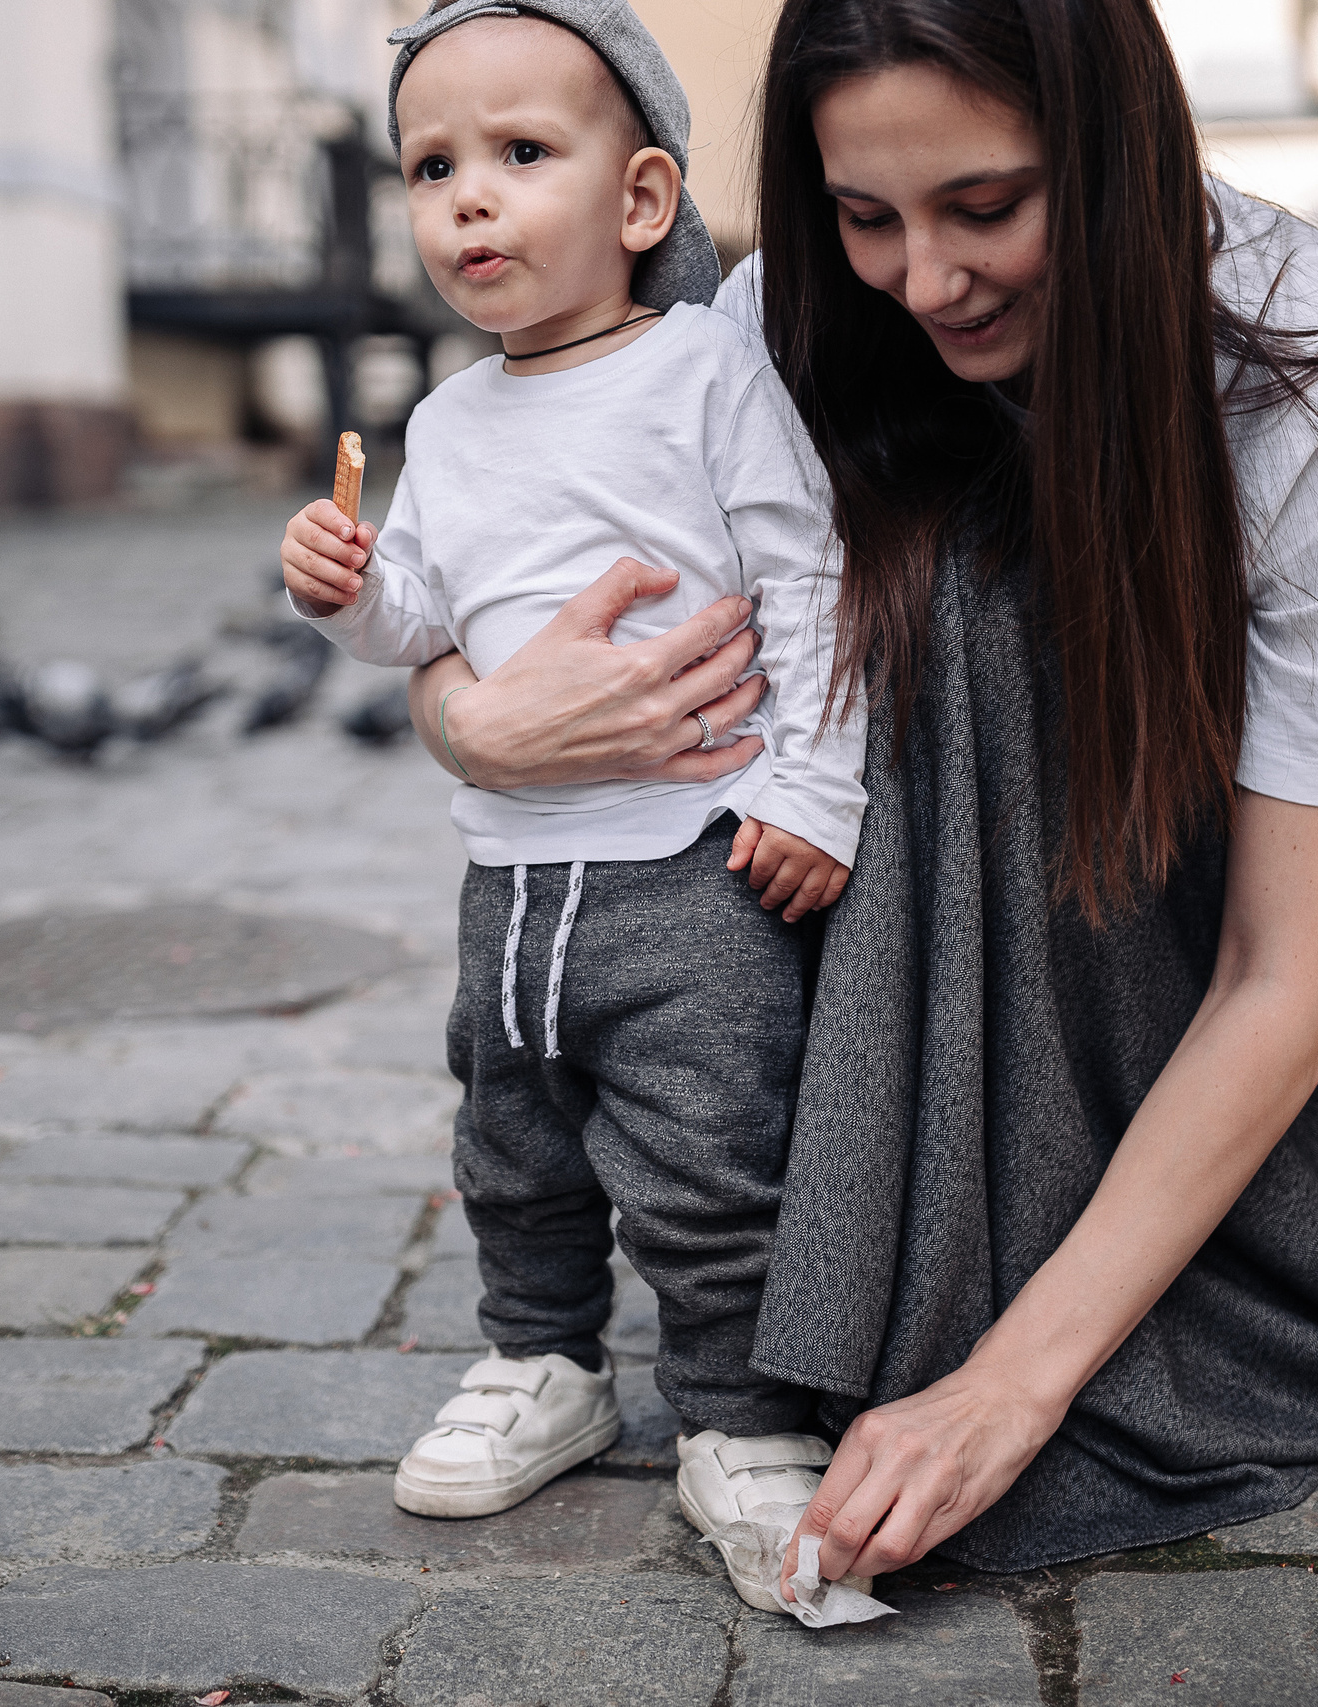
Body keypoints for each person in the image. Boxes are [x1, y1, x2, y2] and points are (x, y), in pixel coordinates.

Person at [399, 0, 1318, 1587]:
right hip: (1036, 908)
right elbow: (516, 568)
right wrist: (473, 728)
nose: (927, 280)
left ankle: (1018, 1252)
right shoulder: (778, 321)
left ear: (1114, 153)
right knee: (909, 593)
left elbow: (1284, 983)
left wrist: (1007, 1386)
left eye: (986, 206)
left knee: (951, 603)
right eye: (866, 215)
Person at [277, 0, 875, 1611]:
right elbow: (426, 621)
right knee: (512, 1140)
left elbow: (810, 582)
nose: (468, 196)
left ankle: (741, 1414)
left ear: (641, 198)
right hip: (513, 884)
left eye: (522, 153)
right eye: (432, 168)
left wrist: (817, 792)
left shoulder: (707, 374)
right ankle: (543, 1360)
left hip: (694, 866)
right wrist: (350, 590)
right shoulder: (446, 420)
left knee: (710, 1155)